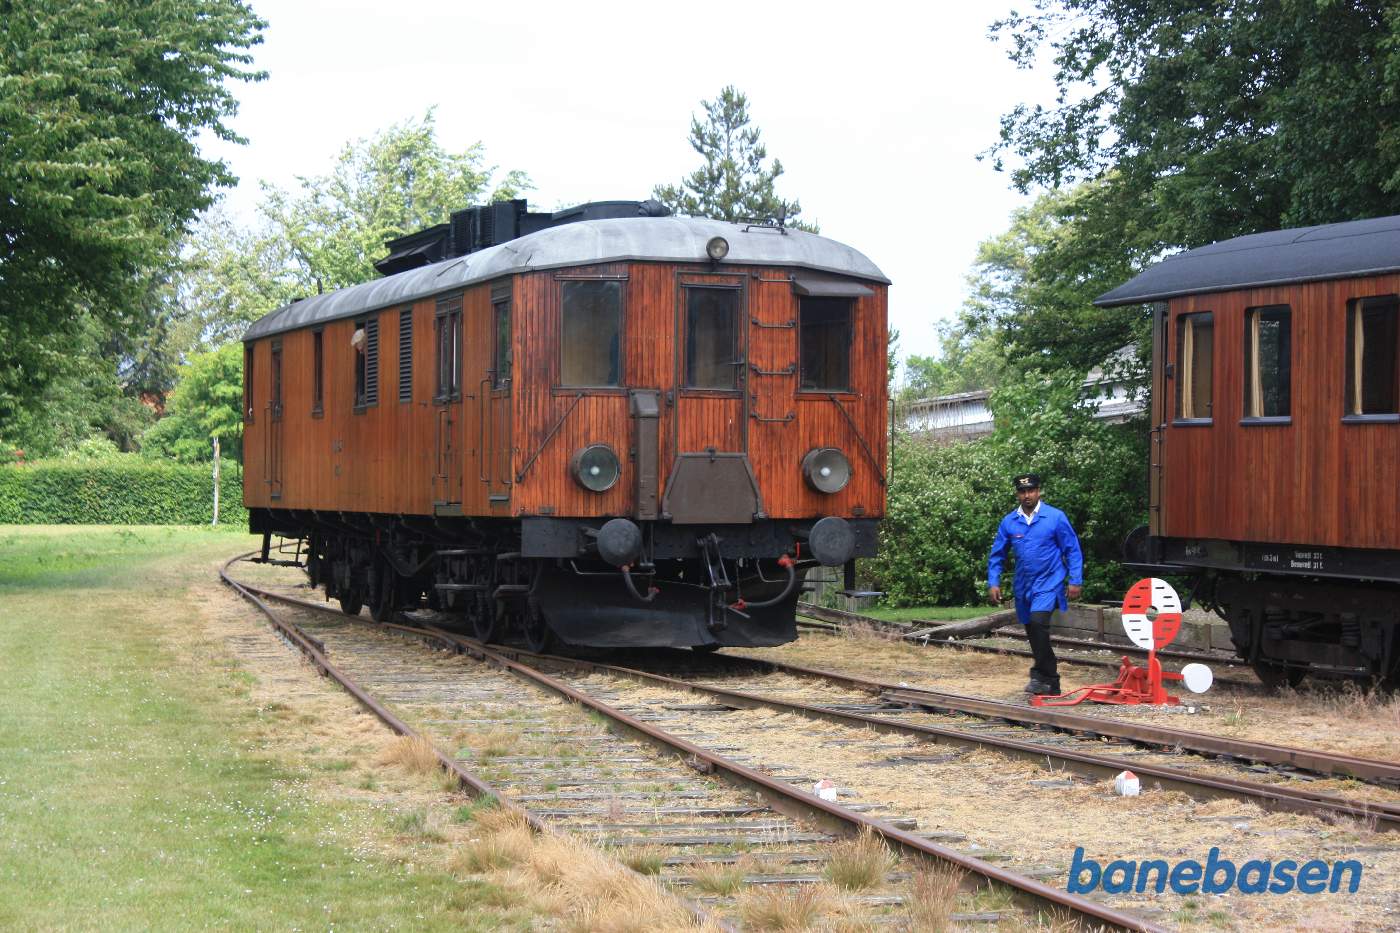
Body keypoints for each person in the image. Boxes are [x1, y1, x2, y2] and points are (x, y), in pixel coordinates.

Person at [987, 473, 1084, 695]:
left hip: (1050, 581)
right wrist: (994, 582)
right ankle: (1046, 680)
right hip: (1024, 585)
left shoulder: (1055, 517)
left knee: (1039, 622)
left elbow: (1072, 549)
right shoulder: (1010, 522)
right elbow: (997, 555)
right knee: (1031, 629)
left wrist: (1075, 580)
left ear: (1039, 491)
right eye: (1022, 491)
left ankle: (1047, 676)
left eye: (1031, 490)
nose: (1027, 495)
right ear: (1017, 494)